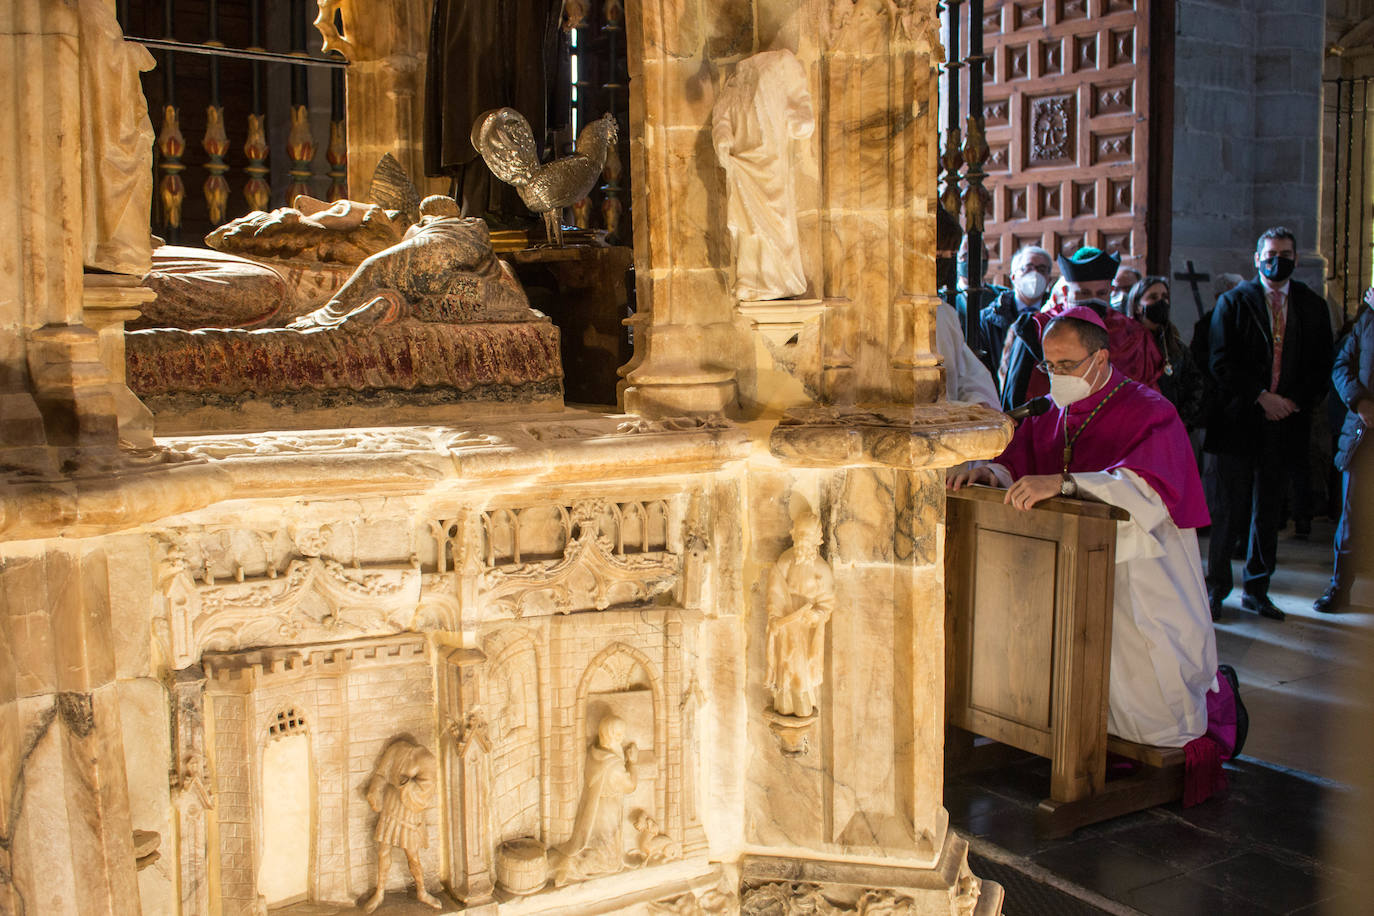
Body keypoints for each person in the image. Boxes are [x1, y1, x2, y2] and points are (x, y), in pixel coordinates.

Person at [949, 308, 1222, 756]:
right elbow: (1023, 457)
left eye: (1067, 365)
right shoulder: (1054, 410)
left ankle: (1128, 747)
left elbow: (1149, 491)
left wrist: (1067, 483)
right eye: (1049, 366)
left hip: (1139, 572)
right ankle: (1062, 737)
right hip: (1065, 568)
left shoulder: (1151, 410)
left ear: (1101, 358)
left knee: (1140, 688)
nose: (1056, 376)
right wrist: (993, 475)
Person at [1205, 227, 1334, 621]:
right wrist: (1262, 396)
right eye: (1272, 252)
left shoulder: (1312, 306)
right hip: (1240, 421)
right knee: (1230, 509)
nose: (1278, 258)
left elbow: (1322, 363)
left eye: (1286, 252)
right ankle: (1218, 588)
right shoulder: (1234, 302)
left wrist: (1292, 402)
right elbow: (1220, 361)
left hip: (1286, 424)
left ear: (1295, 258)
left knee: (1270, 510)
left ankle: (1258, 588)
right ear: (1257, 257)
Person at [999, 247, 1163, 412]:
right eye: (1083, 293)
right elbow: (1017, 396)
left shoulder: (1133, 333)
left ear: (1111, 292)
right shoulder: (1036, 328)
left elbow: (1150, 395)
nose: (1093, 300)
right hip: (1053, 428)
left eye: (1101, 293)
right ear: (1066, 291)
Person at [1315, 289, 1374, 612]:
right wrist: (1360, 401)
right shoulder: (1368, 318)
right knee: (1352, 517)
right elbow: (1342, 365)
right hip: (1364, 433)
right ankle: (1340, 589)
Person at [364, 737, 442, 912]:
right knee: (383, 850)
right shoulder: (396, 749)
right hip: (392, 806)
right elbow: (381, 774)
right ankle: (379, 893)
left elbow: (424, 794)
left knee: (413, 856)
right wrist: (374, 790)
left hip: (409, 811)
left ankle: (422, 891)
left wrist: (403, 783)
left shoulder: (427, 760)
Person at [1127, 276, 1205, 430]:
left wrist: (1181, 420)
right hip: (1134, 427)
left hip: (1171, 427)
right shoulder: (1125, 344)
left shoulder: (1176, 347)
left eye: (1164, 297)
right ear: (1137, 306)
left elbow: (1195, 385)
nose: (1161, 302)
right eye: (1153, 297)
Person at [975, 244, 1053, 383]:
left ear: (1049, 279)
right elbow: (980, 369)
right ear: (1013, 276)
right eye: (1027, 268)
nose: (1034, 275)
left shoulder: (1057, 316)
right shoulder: (988, 319)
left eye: (1041, 269)